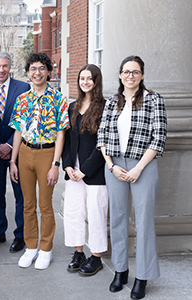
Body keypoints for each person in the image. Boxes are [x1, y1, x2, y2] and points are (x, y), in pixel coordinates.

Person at [97, 55, 167, 299]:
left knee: (144, 221)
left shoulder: (153, 99)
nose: (130, 76)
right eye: (126, 72)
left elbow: (159, 138)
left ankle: (143, 276)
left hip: (143, 165)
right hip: (114, 165)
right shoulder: (112, 102)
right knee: (117, 218)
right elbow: (102, 136)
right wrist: (111, 165)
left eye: (135, 72)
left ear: (142, 75)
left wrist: (138, 168)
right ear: (120, 74)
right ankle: (121, 270)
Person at [9, 52, 69, 270]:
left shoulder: (58, 99)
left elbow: (61, 133)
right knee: (27, 204)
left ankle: (46, 249)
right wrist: (13, 161)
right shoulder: (22, 99)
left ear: (48, 72)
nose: (37, 72)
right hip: (25, 153)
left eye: (42, 68)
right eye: (33, 68)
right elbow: (17, 131)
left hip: (47, 154)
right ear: (28, 73)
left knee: (45, 204)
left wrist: (55, 164)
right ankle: (31, 246)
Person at [62, 64, 108, 276]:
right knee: (73, 212)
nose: (85, 82)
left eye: (90, 78)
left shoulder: (105, 108)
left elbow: (104, 143)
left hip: (95, 172)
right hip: (74, 171)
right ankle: (78, 252)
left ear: (96, 81)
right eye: (82, 78)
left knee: (96, 213)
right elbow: (68, 141)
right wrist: (68, 165)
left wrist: (86, 170)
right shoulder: (73, 106)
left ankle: (96, 256)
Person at [0, 52, 30, 253]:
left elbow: (27, 120)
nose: (1, 70)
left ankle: (20, 235)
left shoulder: (23, 88)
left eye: (4, 66)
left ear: (10, 67)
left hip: (17, 151)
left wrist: (10, 144)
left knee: (21, 194)